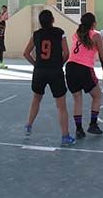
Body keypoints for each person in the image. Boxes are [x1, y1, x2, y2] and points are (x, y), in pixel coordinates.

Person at [23, 9, 75, 146]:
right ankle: (65, 136)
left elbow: (26, 53)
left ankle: (28, 125)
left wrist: (37, 64)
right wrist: (59, 64)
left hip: (40, 71)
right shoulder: (60, 33)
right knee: (61, 106)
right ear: (52, 20)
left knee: (36, 99)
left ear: (40, 22)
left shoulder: (36, 35)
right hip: (55, 71)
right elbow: (67, 54)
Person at [66, 12, 103, 139]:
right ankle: (93, 124)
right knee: (97, 96)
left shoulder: (77, 33)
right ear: (93, 23)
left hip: (70, 67)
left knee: (77, 100)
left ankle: (79, 129)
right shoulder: (96, 36)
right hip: (84, 68)